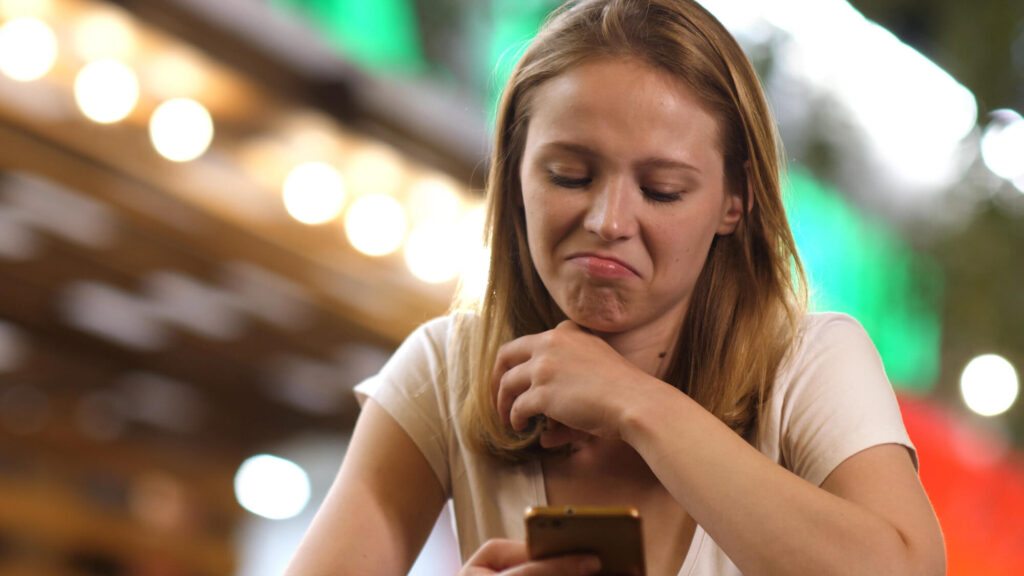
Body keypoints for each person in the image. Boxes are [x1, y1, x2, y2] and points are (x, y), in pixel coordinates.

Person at [285, 0, 946, 574]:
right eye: (569, 175)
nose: (608, 221)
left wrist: (635, 403)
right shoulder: (445, 369)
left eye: (662, 190)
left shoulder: (810, 364)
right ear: (516, 174)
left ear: (735, 200)